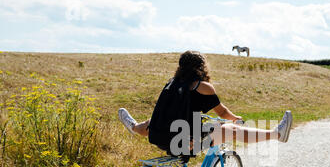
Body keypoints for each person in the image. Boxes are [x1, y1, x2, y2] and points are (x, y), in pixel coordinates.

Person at [118, 51, 292, 154]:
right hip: (185, 143)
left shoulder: (172, 83)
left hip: (159, 137)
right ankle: (277, 134)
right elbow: (222, 113)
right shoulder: (202, 87)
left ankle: (133, 127)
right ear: (202, 68)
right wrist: (235, 118)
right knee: (231, 130)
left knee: (152, 121)